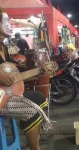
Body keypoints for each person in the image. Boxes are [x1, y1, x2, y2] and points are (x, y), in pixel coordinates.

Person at [0, 9, 52, 150]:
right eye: (5, 21)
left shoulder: (4, 47)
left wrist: (37, 74)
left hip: (8, 95)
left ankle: (32, 136)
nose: (9, 24)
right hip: (1, 101)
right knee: (32, 111)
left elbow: (12, 75)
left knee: (40, 97)